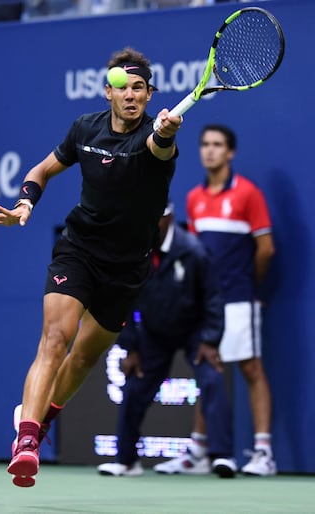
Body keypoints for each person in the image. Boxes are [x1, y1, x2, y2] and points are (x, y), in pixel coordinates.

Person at [0, 47, 182, 488]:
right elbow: (43, 169)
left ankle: (43, 417)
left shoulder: (156, 137)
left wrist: (167, 133)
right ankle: (27, 441)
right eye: (121, 87)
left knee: (84, 358)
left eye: (139, 89)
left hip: (127, 268)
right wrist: (25, 202)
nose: (130, 95)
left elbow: (159, 149)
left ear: (150, 95)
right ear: (106, 91)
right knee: (55, 338)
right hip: (79, 250)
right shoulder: (85, 128)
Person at [97, 202, 237, 479]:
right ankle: (127, 462)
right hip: (154, 333)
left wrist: (210, 340)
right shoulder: (135, 254)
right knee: (135, 388)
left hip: (194, 331)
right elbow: (122, 302)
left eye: (155, 218)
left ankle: (222, 457)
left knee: (212, 379)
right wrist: (131, 346)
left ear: (169, 218)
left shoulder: (194, 250)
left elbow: (214, 298)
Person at [181, 124, 276, 476]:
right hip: (207, 304)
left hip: (239, 298)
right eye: (205, 144)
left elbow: (266, 250)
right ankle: (199, 451)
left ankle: (264, 452)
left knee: (251, 369)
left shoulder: (248, 194)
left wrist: (251, 287)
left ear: (230, 152)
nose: (210, 150)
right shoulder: (193, 198)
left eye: (217, 145)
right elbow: (193, 255)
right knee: (208, 372)